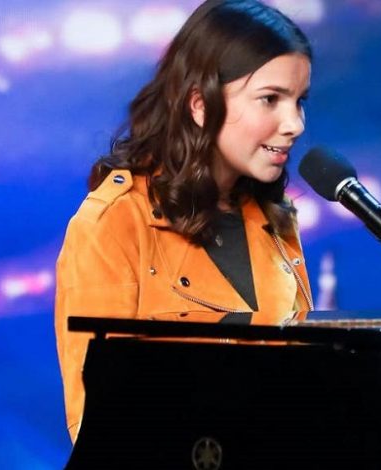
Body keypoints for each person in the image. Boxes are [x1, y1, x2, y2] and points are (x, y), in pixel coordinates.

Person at [54, 0, 314, 443]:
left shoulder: (275, 222)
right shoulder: (114, 222)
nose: (294, 124)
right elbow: (95, 426)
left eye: (299, 101)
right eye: (270, 99)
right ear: (200, 104)